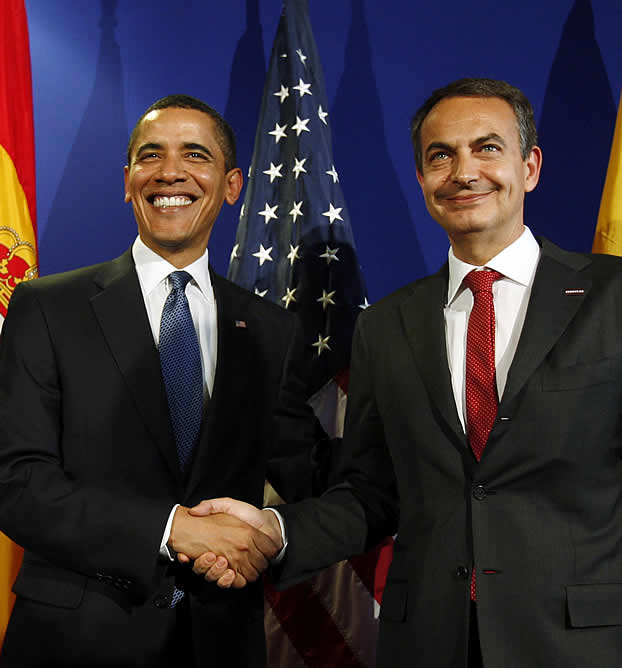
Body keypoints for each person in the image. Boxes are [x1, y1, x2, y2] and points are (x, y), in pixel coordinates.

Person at [190, 78, 622, 668]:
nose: (464, 171)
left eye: (487, 148)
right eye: (440, 156)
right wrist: (274, 531)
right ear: (422, 180)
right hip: (427, 641)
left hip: (583, 642)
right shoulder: (387, 325)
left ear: (531, 166)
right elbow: (373, 492)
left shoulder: (611, 296)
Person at [0, 94, 327, 667]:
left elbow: (311, 476)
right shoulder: (48, 308)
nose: (170, 171)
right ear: (129, 182)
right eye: (151, 156)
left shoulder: (270, 330)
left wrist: (271, 533)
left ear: (231, 185)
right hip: (76, 643)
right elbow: (15, 481)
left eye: (194, 155)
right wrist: (170, 530)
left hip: (220, 641)